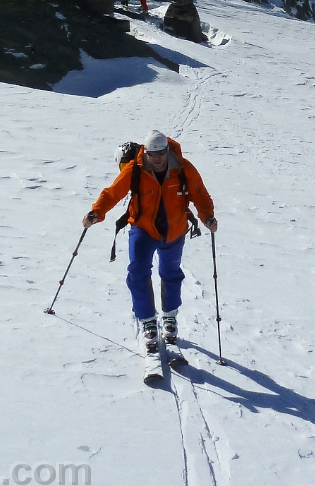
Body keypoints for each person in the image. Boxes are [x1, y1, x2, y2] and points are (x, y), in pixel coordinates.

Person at [84, 130, 217, 359]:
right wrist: (96, 212)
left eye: (161, 153)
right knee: (137, 273)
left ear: (167, 150)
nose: (157, 158)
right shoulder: (135, 169)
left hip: (174, 230)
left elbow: (199, 194)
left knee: (171, 274)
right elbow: (113, 193)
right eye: (152, 154)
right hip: (143, 229)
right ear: (146, 152)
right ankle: (147, 322)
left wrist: (207, 217)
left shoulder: (184, 168)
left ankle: (169, 316)